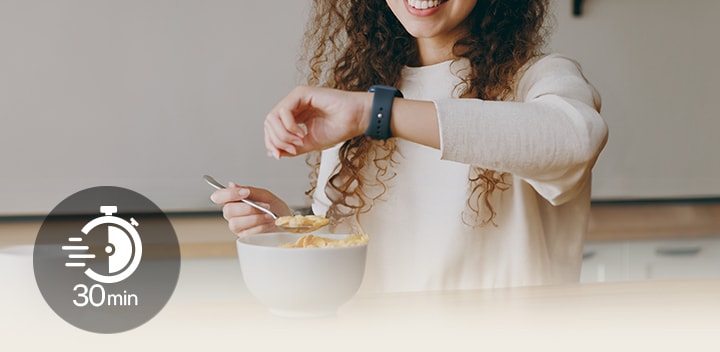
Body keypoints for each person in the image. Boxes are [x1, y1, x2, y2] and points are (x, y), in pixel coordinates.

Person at [211, 0, 608, 292]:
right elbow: (352, 264)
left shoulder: (539, 78)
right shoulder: (359, 96)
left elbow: (574, 139)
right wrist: (290, 229)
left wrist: (376, 114)